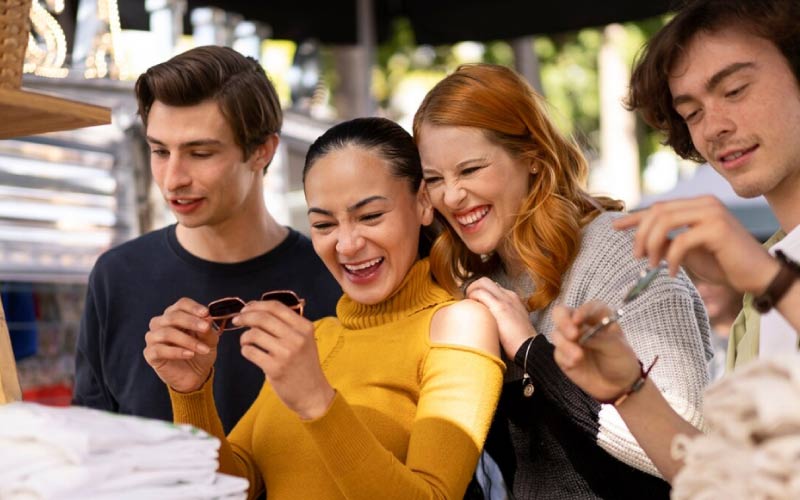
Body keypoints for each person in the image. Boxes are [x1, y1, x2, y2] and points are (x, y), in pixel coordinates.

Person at [143, 117, 506, 498]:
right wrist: (191, 392)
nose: (346, 245)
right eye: (323, 224)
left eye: (370, 216)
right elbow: (231, 488)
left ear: (422, 204)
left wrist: (317, 402)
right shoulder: (314, 337)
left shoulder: (458, 325)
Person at [413, 63, 711, 499]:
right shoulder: (483, 283)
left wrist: (533, 351)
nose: (451, 196)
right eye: (435, 180)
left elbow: (690, 450)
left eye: (471, 170)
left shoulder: (618, 251)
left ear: (532, 157)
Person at [549, 0, 800, 482]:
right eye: (691, 111)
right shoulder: (771, 267)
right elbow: (736, 480)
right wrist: (629, 390)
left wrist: (771, 281)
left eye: (735, 89)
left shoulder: (772, 273)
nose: (714, 126)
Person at [72, 46, 341, 434]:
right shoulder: (117, 276)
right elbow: (90, 437)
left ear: (262, 151)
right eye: (160, 151)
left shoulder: (333, 278)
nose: (173, 178)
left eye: (199, 153)